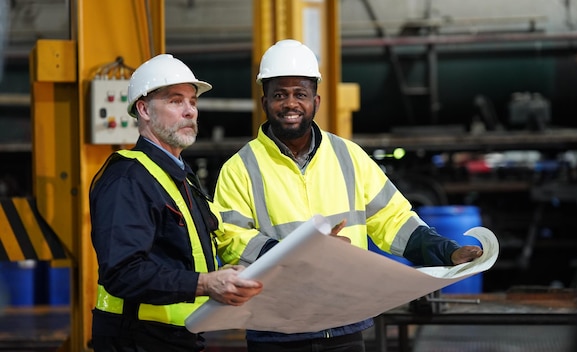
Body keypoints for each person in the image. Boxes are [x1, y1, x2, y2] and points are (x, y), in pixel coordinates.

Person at [213, 39, 483, 352]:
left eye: (299, 94)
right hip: (277, 328)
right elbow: (231, 241)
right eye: (279, 95)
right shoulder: (240, 168)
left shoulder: (349, 156)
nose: (290, 104)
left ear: (316, 101)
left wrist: (445, 251)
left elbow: (392, 219)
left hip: (344, 325)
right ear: (264, 102)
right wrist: (300, 253)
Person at [89, 54, 263, 352]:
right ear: (143, 109)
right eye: (175, 101)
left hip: (177, 337)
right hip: (135, 340)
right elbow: (123, 273)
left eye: (193, 102)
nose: (190, 112)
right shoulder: (128, 179)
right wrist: (206, 283)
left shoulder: (180, 176)